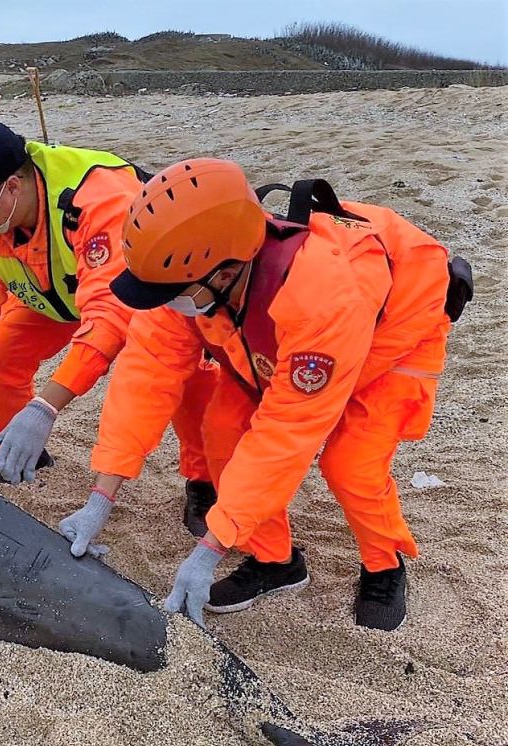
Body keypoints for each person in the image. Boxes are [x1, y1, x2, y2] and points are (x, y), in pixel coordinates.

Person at [73, 158, 465, 631]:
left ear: (222, 272)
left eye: (170, 292)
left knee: (351, 466)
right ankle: (275, 561)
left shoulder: (320, 295)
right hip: (278, 337)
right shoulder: (179, 275)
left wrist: (210, 547)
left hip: (396, 328)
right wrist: (101, 496)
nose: (163, 301)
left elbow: (286, 433)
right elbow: (146, 375)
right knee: (221, 433)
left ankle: (384, 565)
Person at [0, 121, 217, 532]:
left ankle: (204, 479)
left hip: (137, 297)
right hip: (49, 294)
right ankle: (13, 453)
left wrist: (45, 407)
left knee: (188, 375)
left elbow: (109, 318)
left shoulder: (98, 197)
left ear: (12, 186)